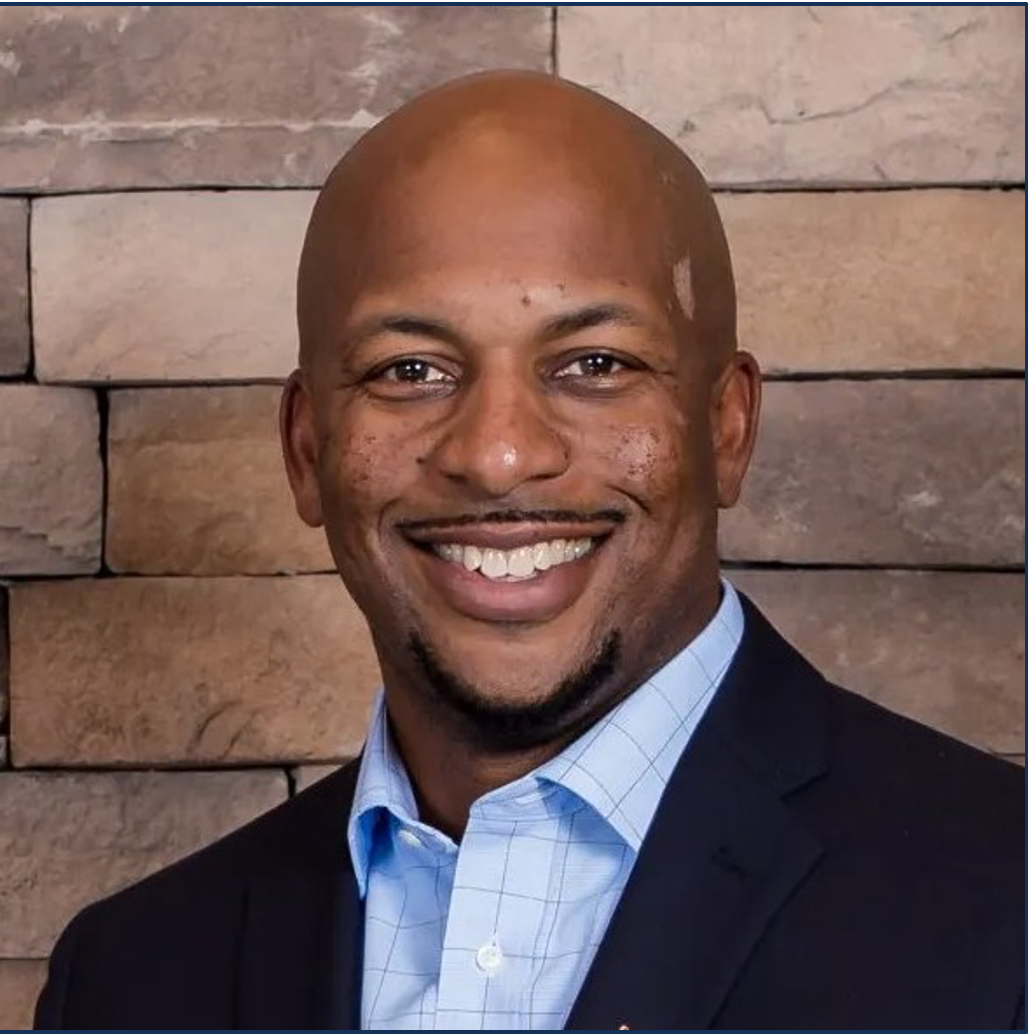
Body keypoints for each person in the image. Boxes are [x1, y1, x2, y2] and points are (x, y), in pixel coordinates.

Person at [35, 71, 1022, 1031]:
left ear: (723, 427)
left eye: (594, 364)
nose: (497, 453)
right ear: (306, 449)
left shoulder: (999, 898)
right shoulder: (129, 977)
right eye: (410, 369)